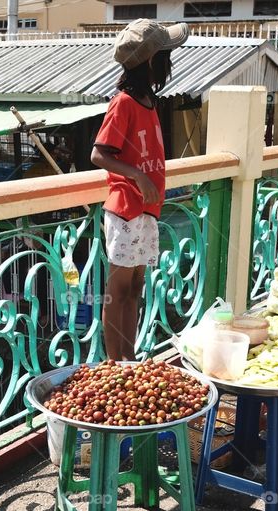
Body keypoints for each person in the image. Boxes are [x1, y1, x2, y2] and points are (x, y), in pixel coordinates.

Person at [91, 19, 188, 360]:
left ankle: (128, 359)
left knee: (135, 288)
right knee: (117, 291)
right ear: (151, 61)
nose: (170, 62)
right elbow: (99, 154)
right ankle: (114, 363)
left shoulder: (149, 101)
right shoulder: (124, 102)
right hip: (125, 211)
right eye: (166, 55)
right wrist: (138, 176)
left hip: (146, 211)